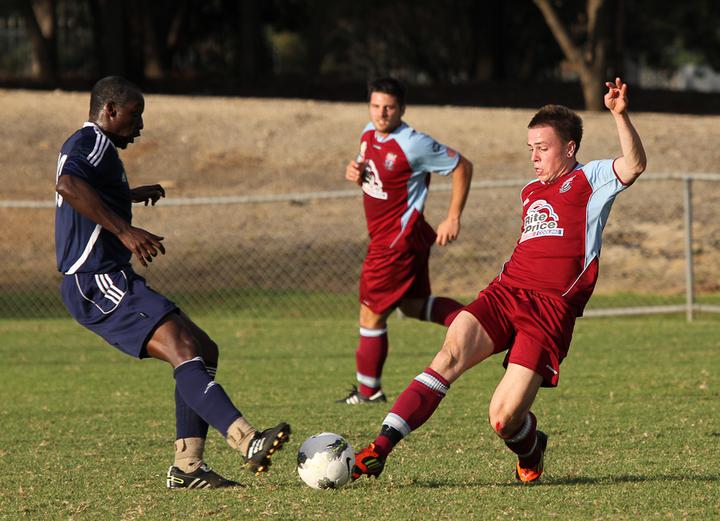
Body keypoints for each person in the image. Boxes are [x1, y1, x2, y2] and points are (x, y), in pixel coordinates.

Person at [351, 77, 647, 482]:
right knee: (448, 355)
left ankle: (531, 446)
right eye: (531, 149)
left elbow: (634, 165)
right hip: (505, 292)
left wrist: (621, 115)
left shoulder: (591, 179)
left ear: (570, 148)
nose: (534, 157)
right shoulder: (529, 191)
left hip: (549, 310)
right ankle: (379, 448)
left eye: (543, 148)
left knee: (504, 419)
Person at [54, 76, 290, 489]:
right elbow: (68, 186)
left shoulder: (99, 148)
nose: (140, 126)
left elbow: (87, 188)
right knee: (183, 350)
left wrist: (126, 193)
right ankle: (247, 440)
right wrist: (125, 232)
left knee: (203, 349)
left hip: (111, 275)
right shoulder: (92, 141)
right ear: (109, 110)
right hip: (94, 280)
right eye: (135, 115)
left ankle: (187, 467)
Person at [336, 77, 474, 405]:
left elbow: (462, 166)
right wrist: (356, 174)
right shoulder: (368, 134)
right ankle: (482, 323)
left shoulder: (413, 143)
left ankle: (369, 393)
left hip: (395, 242)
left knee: (370, 313)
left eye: (389, 107)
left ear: (402, 109)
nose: (381, 113)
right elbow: (377, 180)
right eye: (375, 106)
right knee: (412, 306)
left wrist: (453, 216)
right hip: (394, 238)